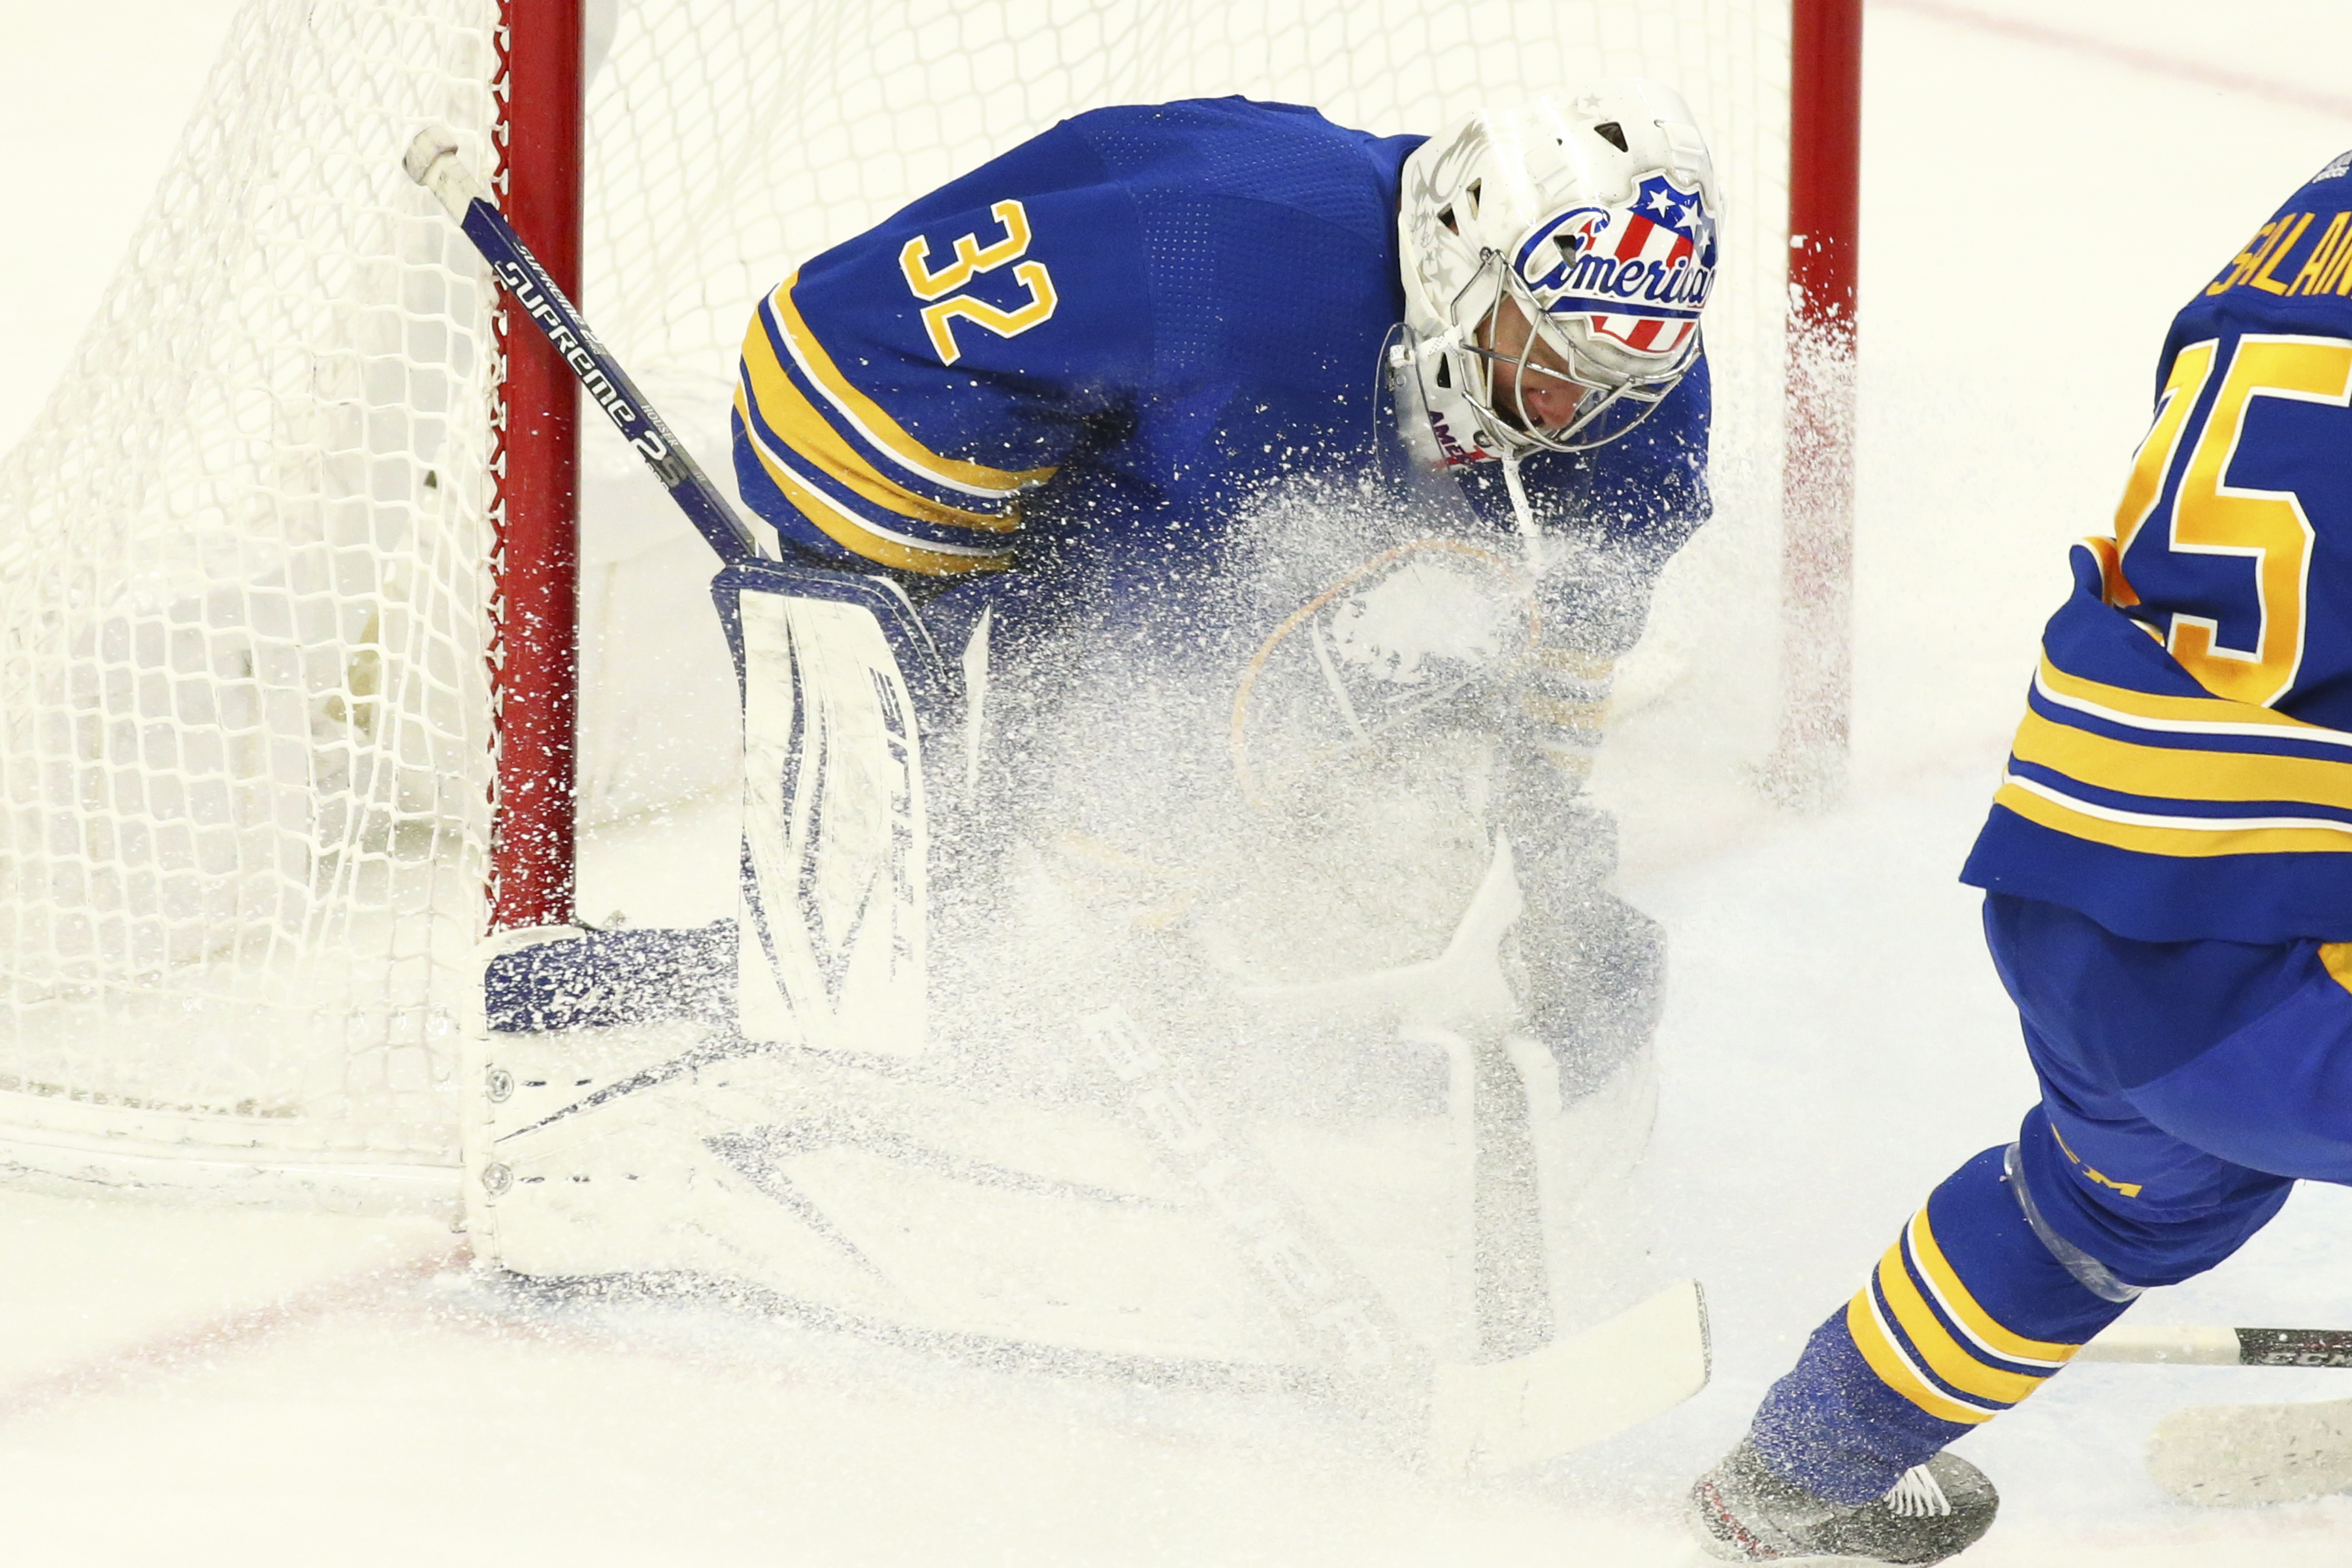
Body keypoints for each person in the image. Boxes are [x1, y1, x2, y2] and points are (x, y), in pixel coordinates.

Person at [723, 85, 1719, 1094]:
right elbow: (834, 368)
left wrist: (1533, 834)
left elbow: (1581, 612)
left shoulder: (1624, 344)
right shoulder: (1242, 259)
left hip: (1202, 408)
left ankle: (1110, 914)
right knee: (1191, 672)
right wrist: (1097, 901)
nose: (1568, 404)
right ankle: (1047, 960)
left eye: (1606, 378)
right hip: (901, 403)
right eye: (1546, 355)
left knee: (1392, 631)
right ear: (1461, 256)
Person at [1686, 148, 2352, 1565]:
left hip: (2082, 894)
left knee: (2089, 1213)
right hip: (2294, 934)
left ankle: (1800, 1473)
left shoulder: (2294, 231)